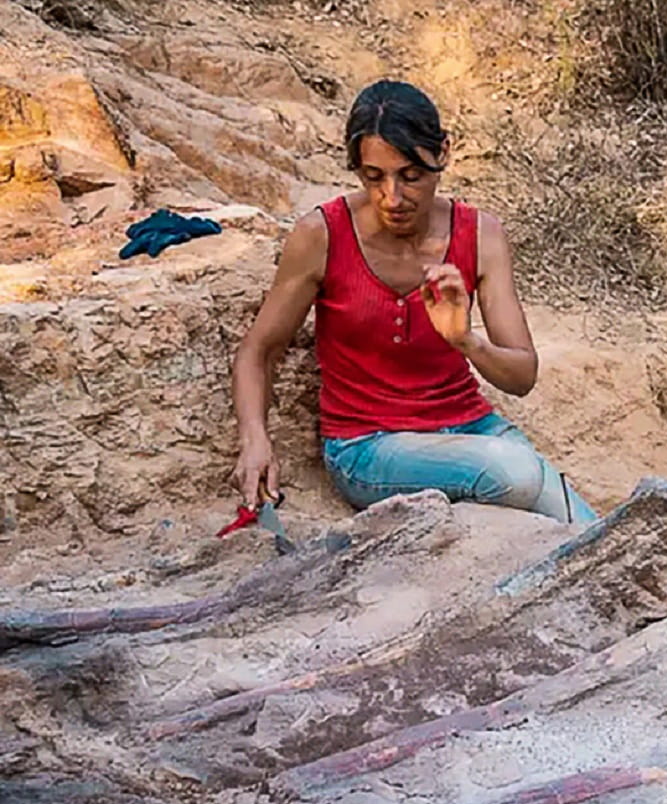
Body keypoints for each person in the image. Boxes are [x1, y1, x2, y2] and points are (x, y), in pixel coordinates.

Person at [228, 80, 594, 524]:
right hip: (367, 447)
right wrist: (254, 438)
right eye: (373, 177)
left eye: (411, 176)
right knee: (519, 473)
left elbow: (521, 376)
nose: (392, 197)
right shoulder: (322, 234)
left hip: (472, 428)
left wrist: (465, 340)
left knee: (589, 528)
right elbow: (259, 349)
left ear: (443, 153)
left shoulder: (481, 235)